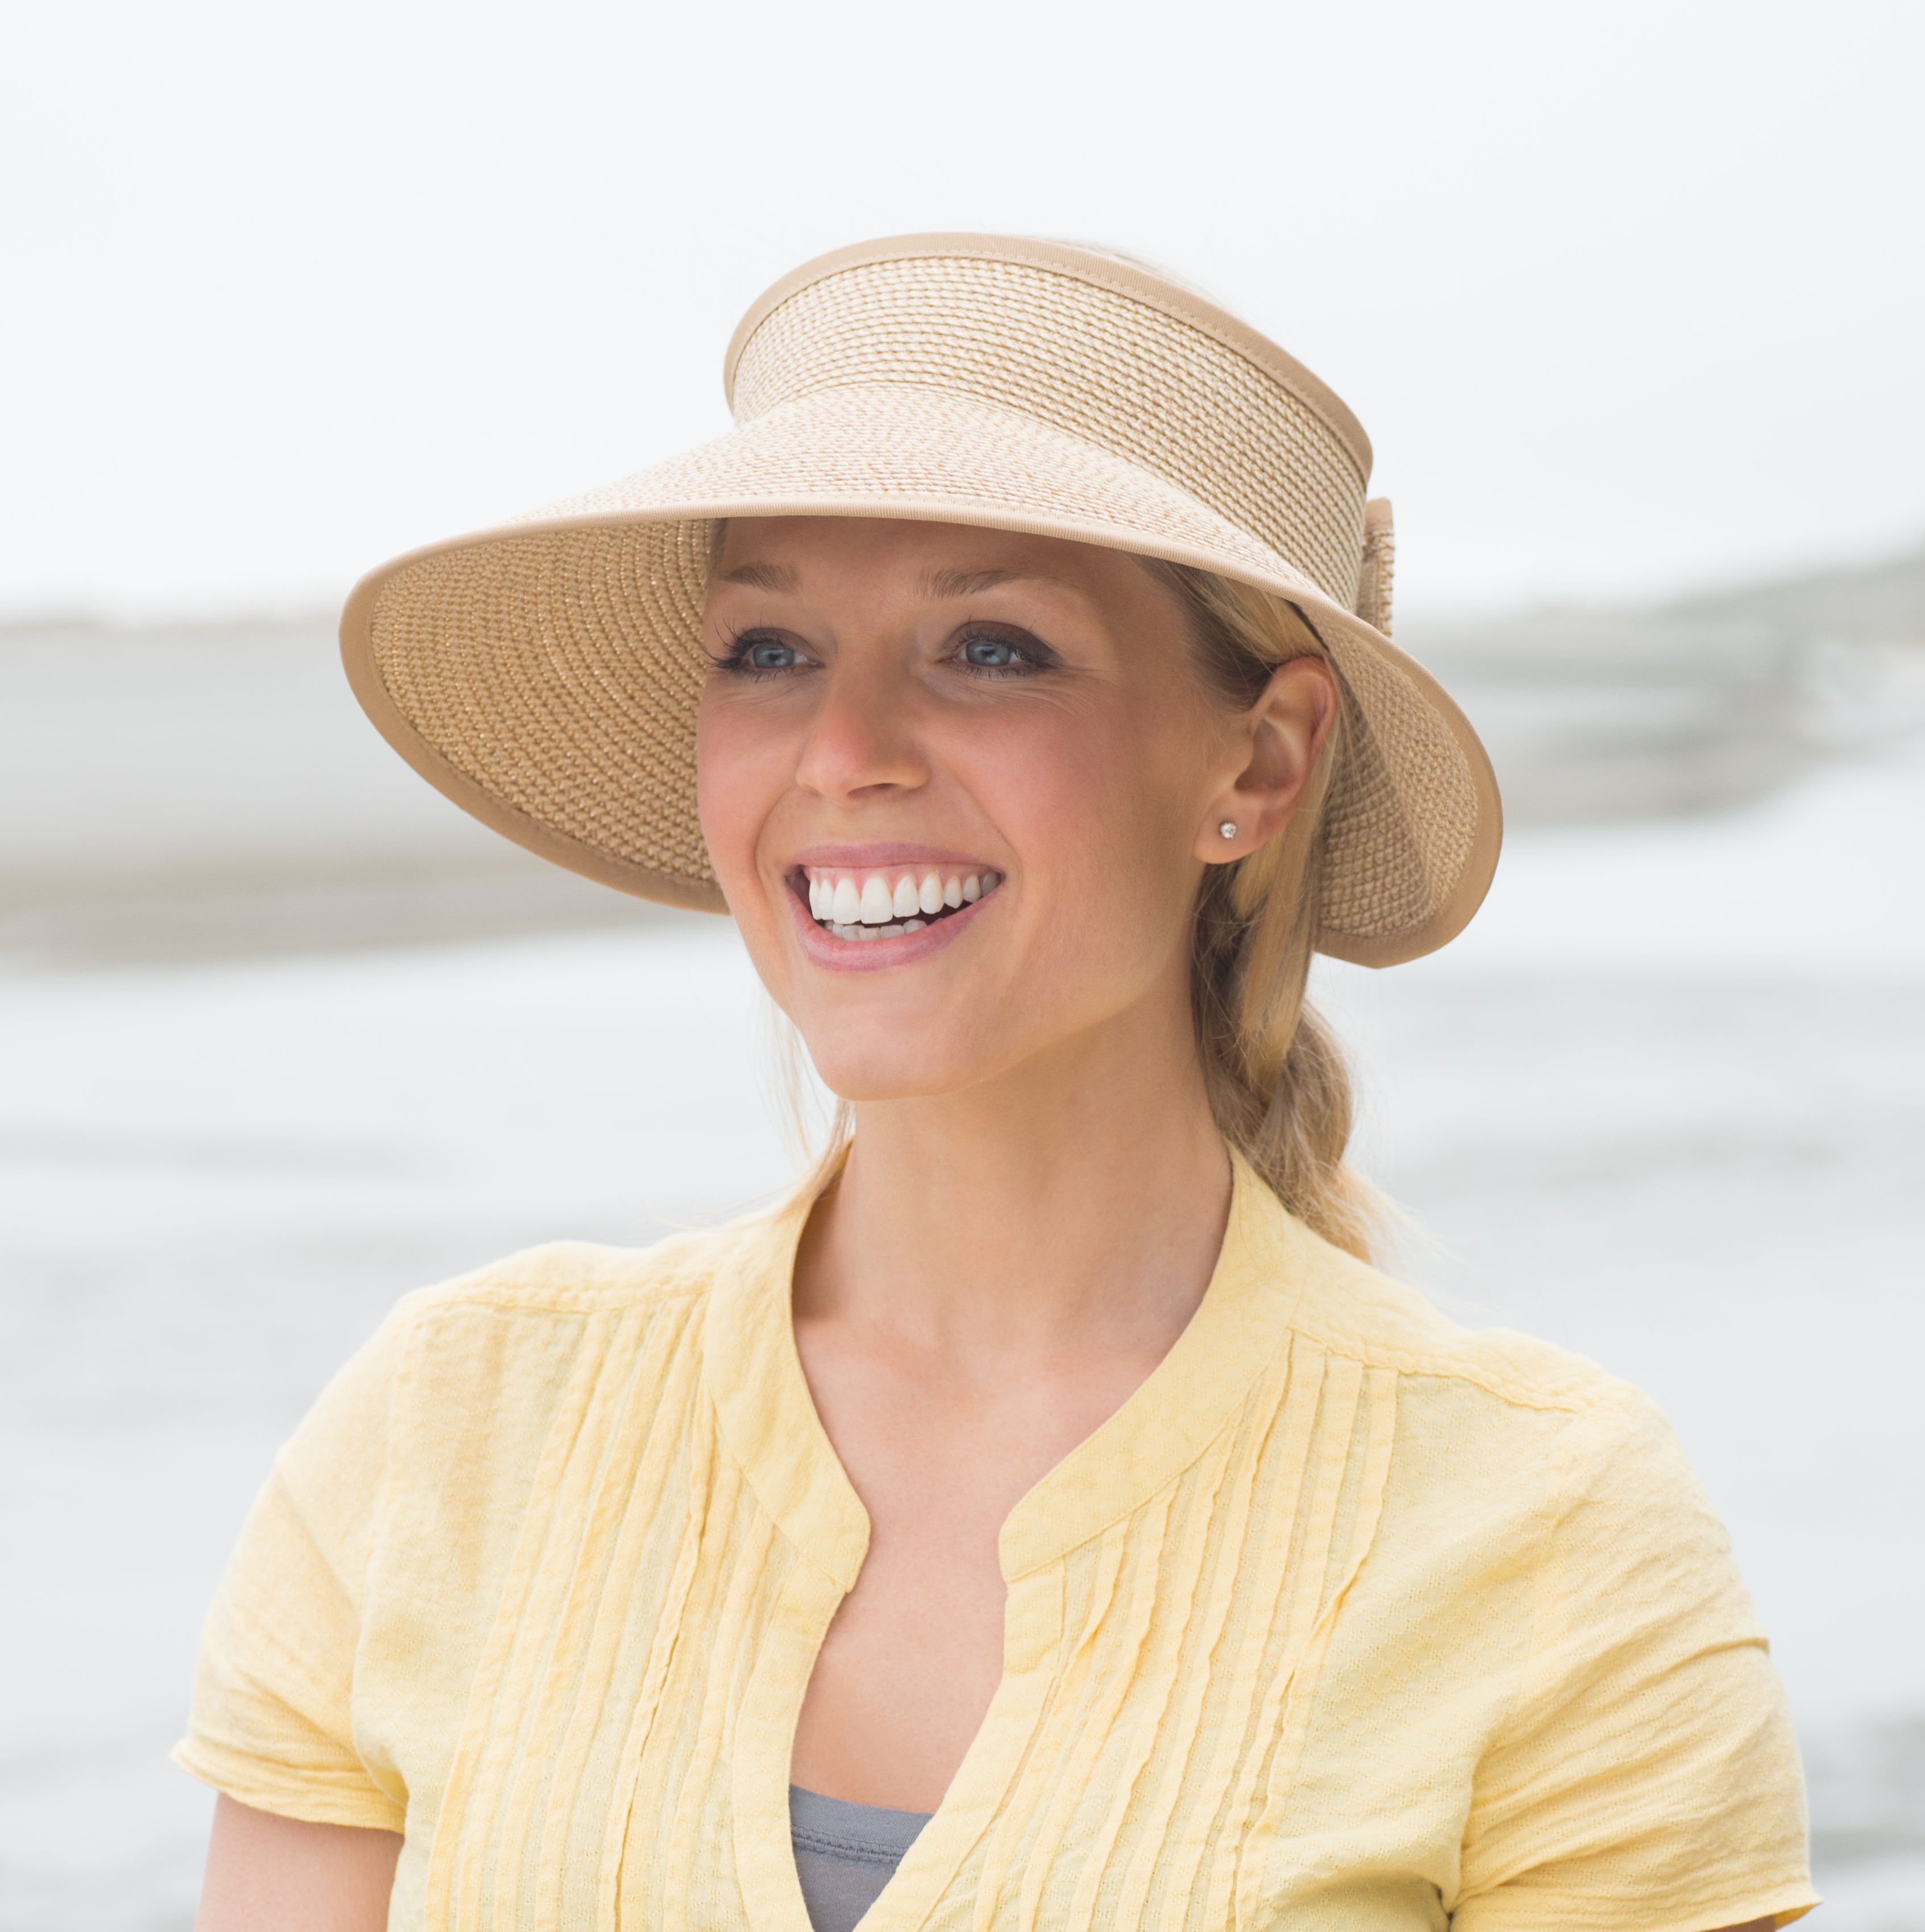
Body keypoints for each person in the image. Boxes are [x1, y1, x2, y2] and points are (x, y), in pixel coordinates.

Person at [176, 235, 1816, 1932]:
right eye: (767, 650)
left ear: (1259, 760)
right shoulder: (454, 1429)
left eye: (994, 649)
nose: (843, 752)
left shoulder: (1548, 1534)